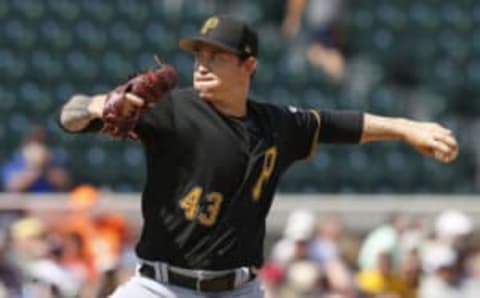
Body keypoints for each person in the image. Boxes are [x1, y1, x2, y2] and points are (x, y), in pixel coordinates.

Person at [57, 15, 458, 298]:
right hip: (160, 287)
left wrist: (408, 128)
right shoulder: (170, 109)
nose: (202, 65)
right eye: (198, 55)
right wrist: (99, 106)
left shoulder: (277, 124)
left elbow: (343, 124)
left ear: (248, 65)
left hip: (240, 289)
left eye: (216, 56)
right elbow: (69, 115)